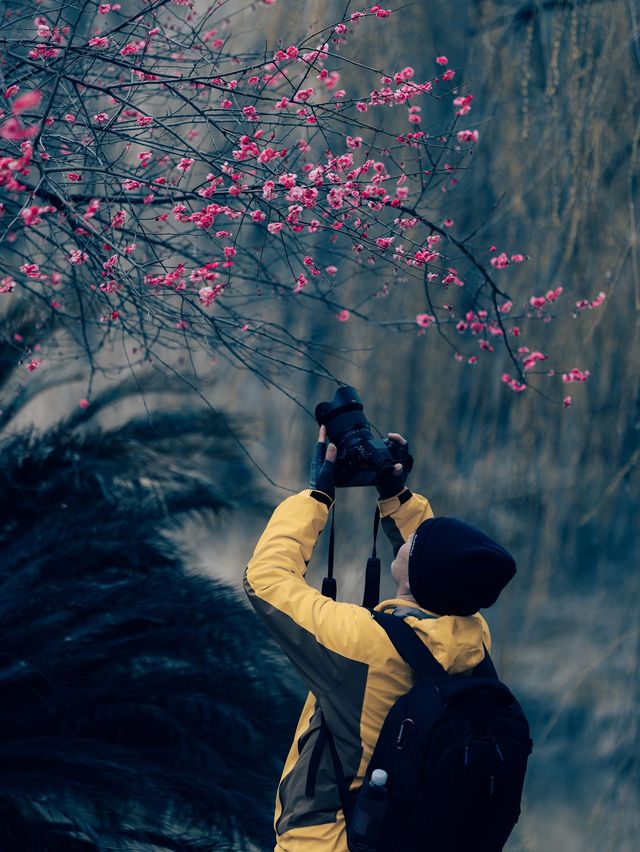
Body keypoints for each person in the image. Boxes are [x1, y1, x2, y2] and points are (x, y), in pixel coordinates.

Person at [244, 427, 516, 851]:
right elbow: (445, 569)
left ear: (416, 573)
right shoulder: (473, 638)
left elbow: (264, 581)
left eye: (413, 543)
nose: (406, 543)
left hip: (328, 841)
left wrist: (315, 498)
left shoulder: (367, 645)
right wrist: (397, 496)